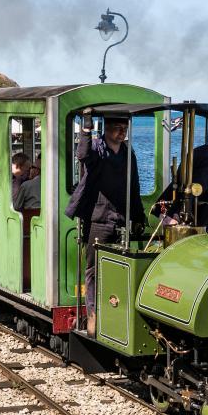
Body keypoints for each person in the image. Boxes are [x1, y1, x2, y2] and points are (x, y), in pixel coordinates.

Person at [64, 112, 144, 335]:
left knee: (119, 267)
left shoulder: (129, 153)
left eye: (124, 128)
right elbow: (82, 154)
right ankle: (93, 317)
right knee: (93, 270)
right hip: (98, 218)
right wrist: (86, 129)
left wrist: (138, 217)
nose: (122, 132)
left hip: (121, 218)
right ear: (106, 129)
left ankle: (116, 313)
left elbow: (134, 185)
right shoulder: (97, 148)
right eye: (118, 127)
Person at [0, 152, 30, 235]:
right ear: (18, 166)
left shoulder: (20, 179)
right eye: (26, 169)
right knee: (0, 231)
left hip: (13, 217)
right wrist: (3, 212)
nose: (28, 172)